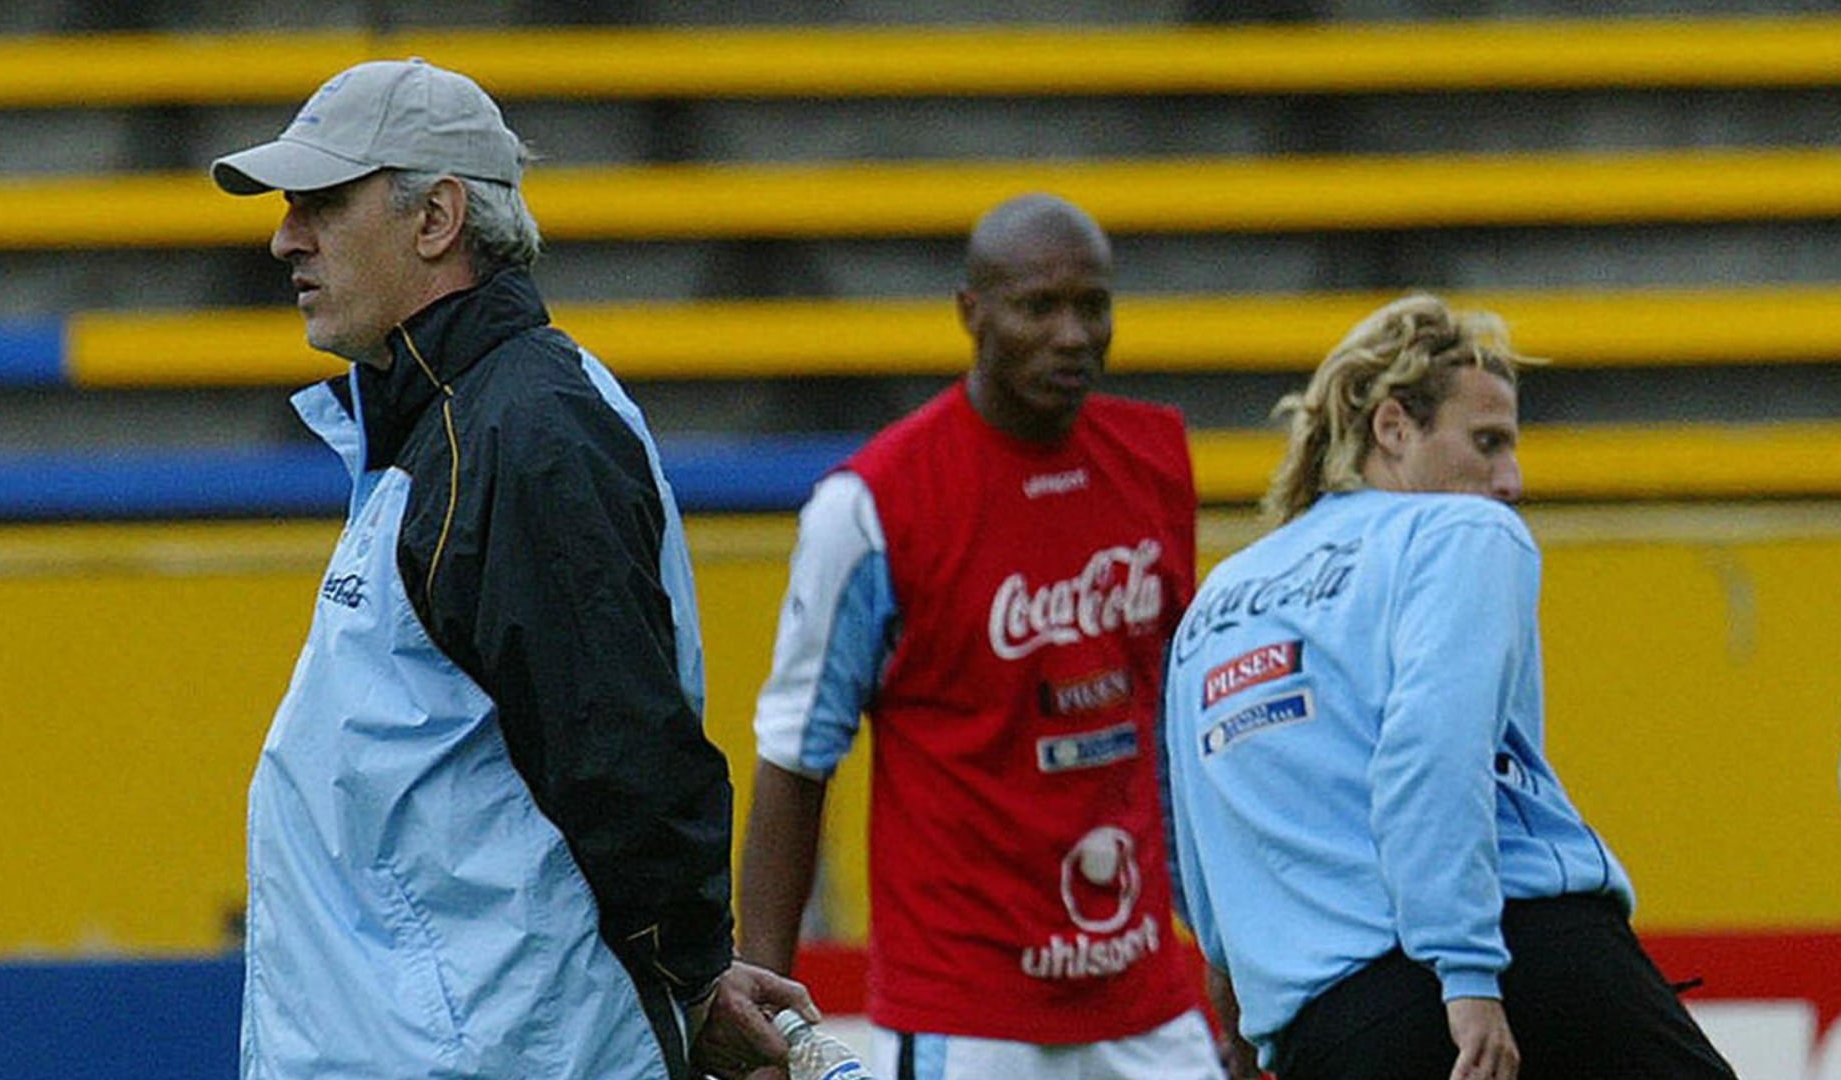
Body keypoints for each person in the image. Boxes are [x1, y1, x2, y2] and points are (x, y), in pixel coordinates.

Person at [210, 58, 813, 1080]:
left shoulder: (523, 433)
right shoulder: (459, 420)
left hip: (502, 1054)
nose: (285, 236)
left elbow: (627, 759)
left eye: (321, 201)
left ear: (438, 217)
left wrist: (696, 977)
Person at [1161, 294, 1739, 1080]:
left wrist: (1238, 1017)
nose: (1510, 479)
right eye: (1488, 442)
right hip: (1515, 965)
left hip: (1330, 1030)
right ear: (1394, 428)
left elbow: (1196, 842)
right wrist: (1467, 977)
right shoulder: (1459, 530)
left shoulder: (1218, 603)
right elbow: (1432, 756)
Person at [737, 193, 1226, 1080]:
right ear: (972, 312)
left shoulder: (1156, 463)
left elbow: (1172, 736)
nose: (1073, 334)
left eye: (1093, 306)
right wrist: (766, 1006)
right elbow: (796, 757)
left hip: (1147, 1000)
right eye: (1040, 307)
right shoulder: (874, 504)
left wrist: (1224, 950)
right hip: (966, 1015)